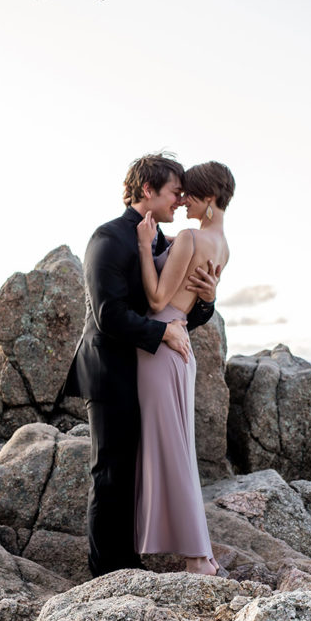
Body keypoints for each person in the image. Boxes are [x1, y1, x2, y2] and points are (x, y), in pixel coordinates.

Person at [62, 153, 221, 579]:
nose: (179, 199)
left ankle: (129, 564)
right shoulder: (108, 239)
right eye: (173, 191)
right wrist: (161, 334)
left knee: (136, 472)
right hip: (110, 370)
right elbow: (108, 314)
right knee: (111, 472)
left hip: (145, 370)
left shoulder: (164, 242)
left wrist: (206, 299)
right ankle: (105, 575)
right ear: (147, 191)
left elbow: (178, 308)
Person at [134, 161, 233, 576]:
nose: (183, 199)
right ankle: (202, 554)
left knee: (171, 452)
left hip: (159, 346)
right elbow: (191, 297)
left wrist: (144, 249)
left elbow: (157, 301)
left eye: (190, 193)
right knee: (180, 450)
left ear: (208, 200)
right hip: (180, 349)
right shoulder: (222, 245)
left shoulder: (191, 237)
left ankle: (196, 558)